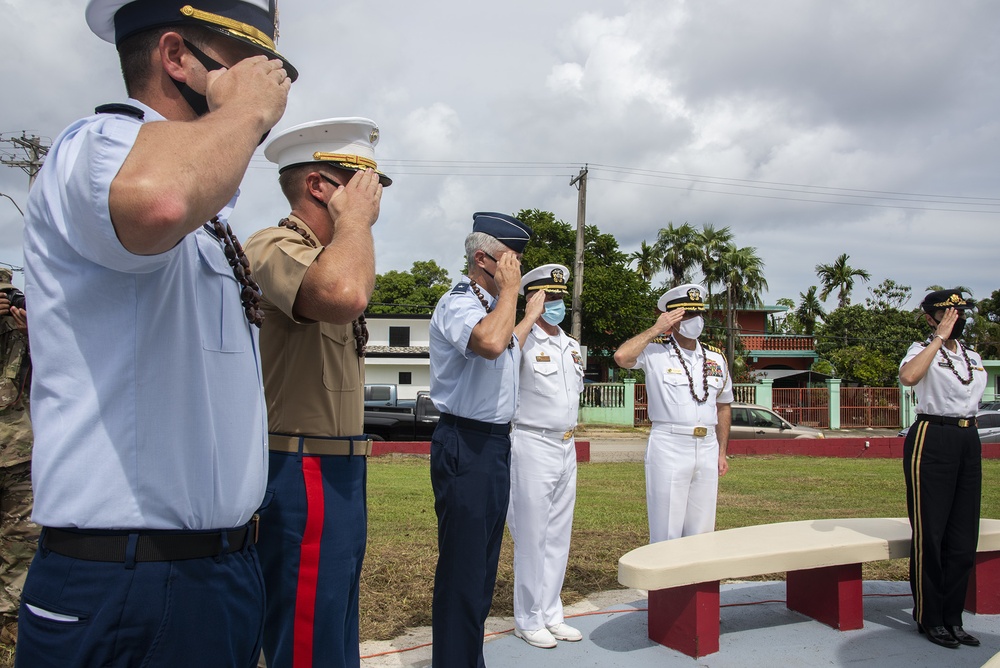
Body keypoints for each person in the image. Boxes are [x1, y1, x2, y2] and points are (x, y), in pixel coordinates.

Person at [17, 1, 294, 665]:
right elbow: (159, 199)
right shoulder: (98, 145)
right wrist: (247, 110)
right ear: (177, 59)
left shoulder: (210, 215)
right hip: (125, 580)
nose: (274, 90)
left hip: (216, 572)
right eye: (251, 68)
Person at [244, 118, 387, 668]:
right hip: (300, 468)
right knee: (305, 635)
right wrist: (357, 225)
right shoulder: (272, 246)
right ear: (320, 188)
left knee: (333, 626)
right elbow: (344, 294)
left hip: (340, 469)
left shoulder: (334, 254)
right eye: (362, 186)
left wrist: (352, 229)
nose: (373, 201)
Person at [428, 212, 537, 667]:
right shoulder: (459, 302)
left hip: (494, 445)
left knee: (482, 570)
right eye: (510, 261)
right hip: (466, 444)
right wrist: (511, 292)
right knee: (463, 570)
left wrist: (525, 311)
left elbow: (507, 337)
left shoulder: (494, 308)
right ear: (482, 259)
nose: (516, 272)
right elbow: (491, 344)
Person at [899, 288, 987, 650]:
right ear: (931, 318)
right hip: (931, 437)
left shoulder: (973, 356)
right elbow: (908, 377)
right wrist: (938, 339)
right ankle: (930, 617)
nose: (957, 319)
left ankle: (954, 616)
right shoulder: (922, 351)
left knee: (964, 537)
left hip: (968, 440)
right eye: (949, 314)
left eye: (961, 314)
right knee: (931, 534)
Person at [613, 284, 732, 543]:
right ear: (673, 318)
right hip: (670, 444)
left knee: (702, 531)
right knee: (667, 528)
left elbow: (723, 405)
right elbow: (622, 356)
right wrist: (656, 328)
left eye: (698, 313)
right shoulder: (655, 350)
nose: (695, 320)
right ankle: (665, 584)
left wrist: (722, 452)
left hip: (708, 445)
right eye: (687, 314)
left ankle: (695, 583)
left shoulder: (716, 358)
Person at [507, 264, 585, 649]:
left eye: (559, 298)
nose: (555, 304)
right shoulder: (520, 337)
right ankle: (527, 617)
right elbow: (500, 361)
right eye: (547, 298)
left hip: (566, 445)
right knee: (531, 535)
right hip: (532, 443)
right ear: (533, 298)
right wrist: (527, 319)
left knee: (558, 536)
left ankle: (552, 612)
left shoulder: (570, 345)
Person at [0, 269, 32, 646]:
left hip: (20, 451)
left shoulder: (21, 327)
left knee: (20, 545)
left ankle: (12, 628)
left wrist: (32, 330)